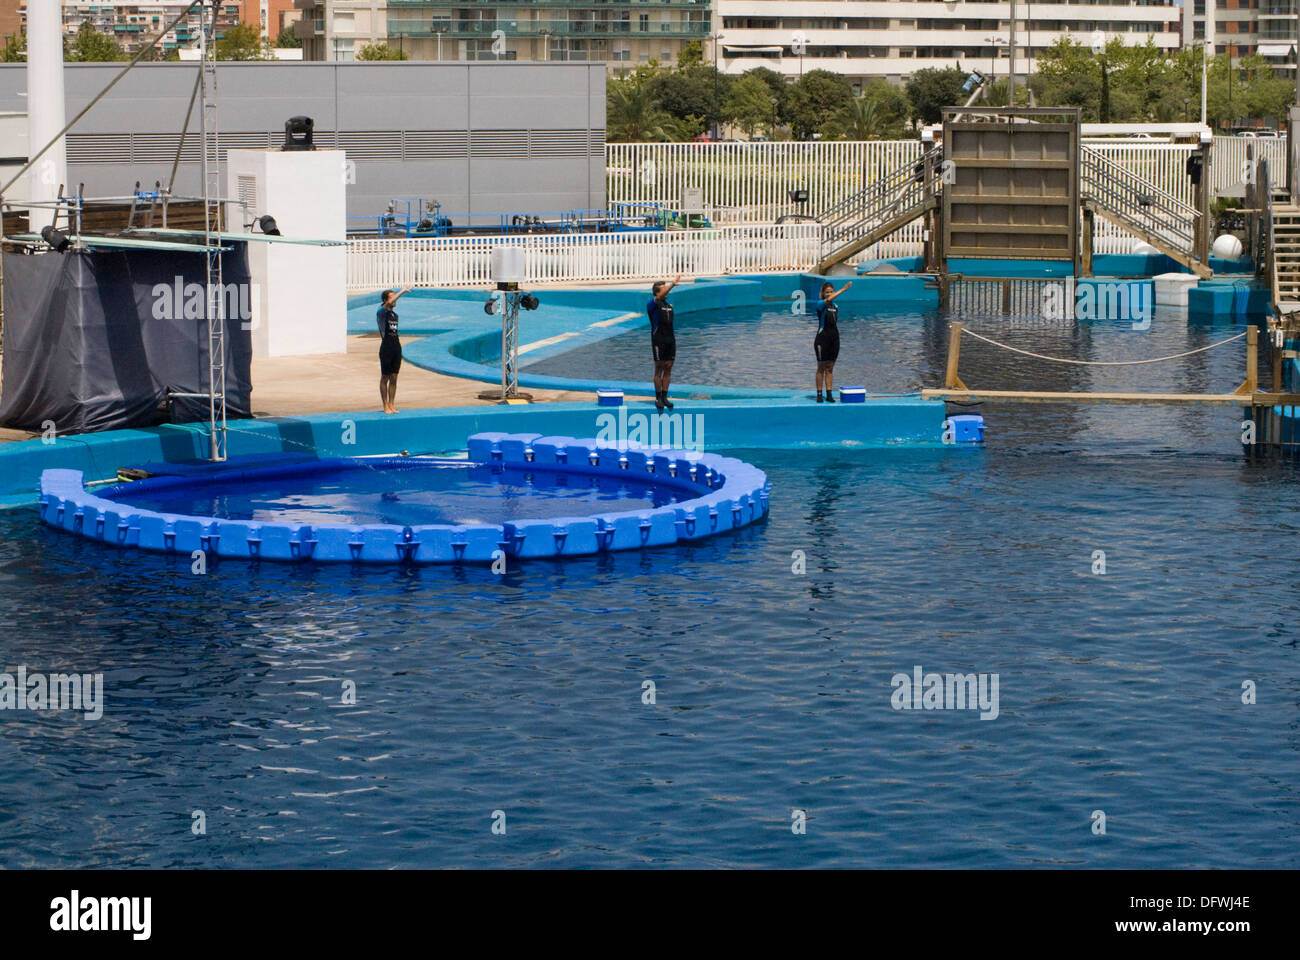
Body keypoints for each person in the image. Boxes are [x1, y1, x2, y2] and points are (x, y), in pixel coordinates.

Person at [648, 274, 682, 412]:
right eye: (664, 289)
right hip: (659, 339)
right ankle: (658, 397)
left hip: (670, 339)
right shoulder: (653, 304)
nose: (666, 290)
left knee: (668, 367)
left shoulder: (668, 305)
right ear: (657, 292)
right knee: (659, 368)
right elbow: (660, 297)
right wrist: (672, 284)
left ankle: (665, 396)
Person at [814, 280, 852, 402]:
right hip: (822, 339)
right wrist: (844, 289)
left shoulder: (835, 306)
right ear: (823, 294)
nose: (829, 294)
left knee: (830, 367)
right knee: (821, 367)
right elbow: (827, 301)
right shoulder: (820, 304)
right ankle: (819, 394)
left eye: (831, 292)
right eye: (827, 292)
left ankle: (829, 393)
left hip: (834, 339)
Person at [377, 285, 411, 414]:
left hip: (396, 346)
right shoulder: (382, 311)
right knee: (385, 376)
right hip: (386, 347)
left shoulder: (395, 315)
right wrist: (402, 291)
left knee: (394, 377)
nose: (395, 299)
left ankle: (391, 403)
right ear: (386, 300)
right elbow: (390, 303)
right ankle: (385, 404)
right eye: (392, 297)